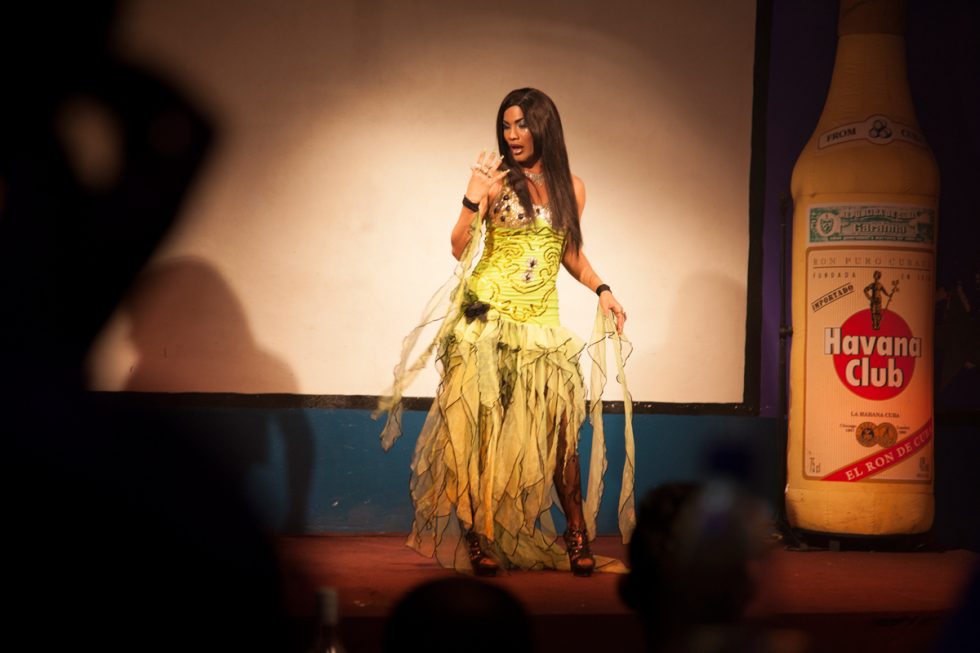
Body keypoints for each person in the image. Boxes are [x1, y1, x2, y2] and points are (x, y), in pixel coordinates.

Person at [377, 87, 634, 577]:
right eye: (506, 126)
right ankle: (479, 537)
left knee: (561, 437)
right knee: (483, 436)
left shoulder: (571, 187)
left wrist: (602, 287)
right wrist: (472, 196)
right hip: (489, 320)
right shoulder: (496, 182)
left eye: (521, 125)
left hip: (542, 326)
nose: (512, 135)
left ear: (544, 128)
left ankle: (576, 534)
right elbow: (458, 247)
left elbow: (569, 253)